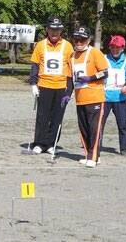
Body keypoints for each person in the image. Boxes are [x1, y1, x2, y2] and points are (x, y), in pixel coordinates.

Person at [29, 16, 74, 154]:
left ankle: (51, 144)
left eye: (58, 29)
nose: (55, 32)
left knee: (56, 118)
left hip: (61, 87)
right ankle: (40, 143)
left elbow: (72, 69)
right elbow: (35, 65)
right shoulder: (40, 45)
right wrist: (33, 84)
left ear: (61, 30)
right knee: (42, 117)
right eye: (52, 29)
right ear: (47, 29)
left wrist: (69, 90)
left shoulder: (68, 45)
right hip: (44, 85)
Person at [70, 26, 108, 168]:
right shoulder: (72, 56)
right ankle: (89, 154)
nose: (79, 42)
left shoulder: (95, 53)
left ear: (88, 40)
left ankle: (93, 156)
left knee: (94, 128)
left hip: (95, 96)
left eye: (82, 39)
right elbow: (70, 78)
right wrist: (67, 94)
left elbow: (105, 73)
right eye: (76, 39)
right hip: (80, 98)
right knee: (84, 128)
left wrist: (90, 78)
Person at [102, 35, 126, 156]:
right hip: (104, 97)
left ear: (123, 48)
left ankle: (123, 149)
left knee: (122, 124)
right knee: (100, 124)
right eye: (113, 47)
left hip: (120, 99)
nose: (115, 49)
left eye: (118, 47)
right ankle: (96, 146)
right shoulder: (104, 59)